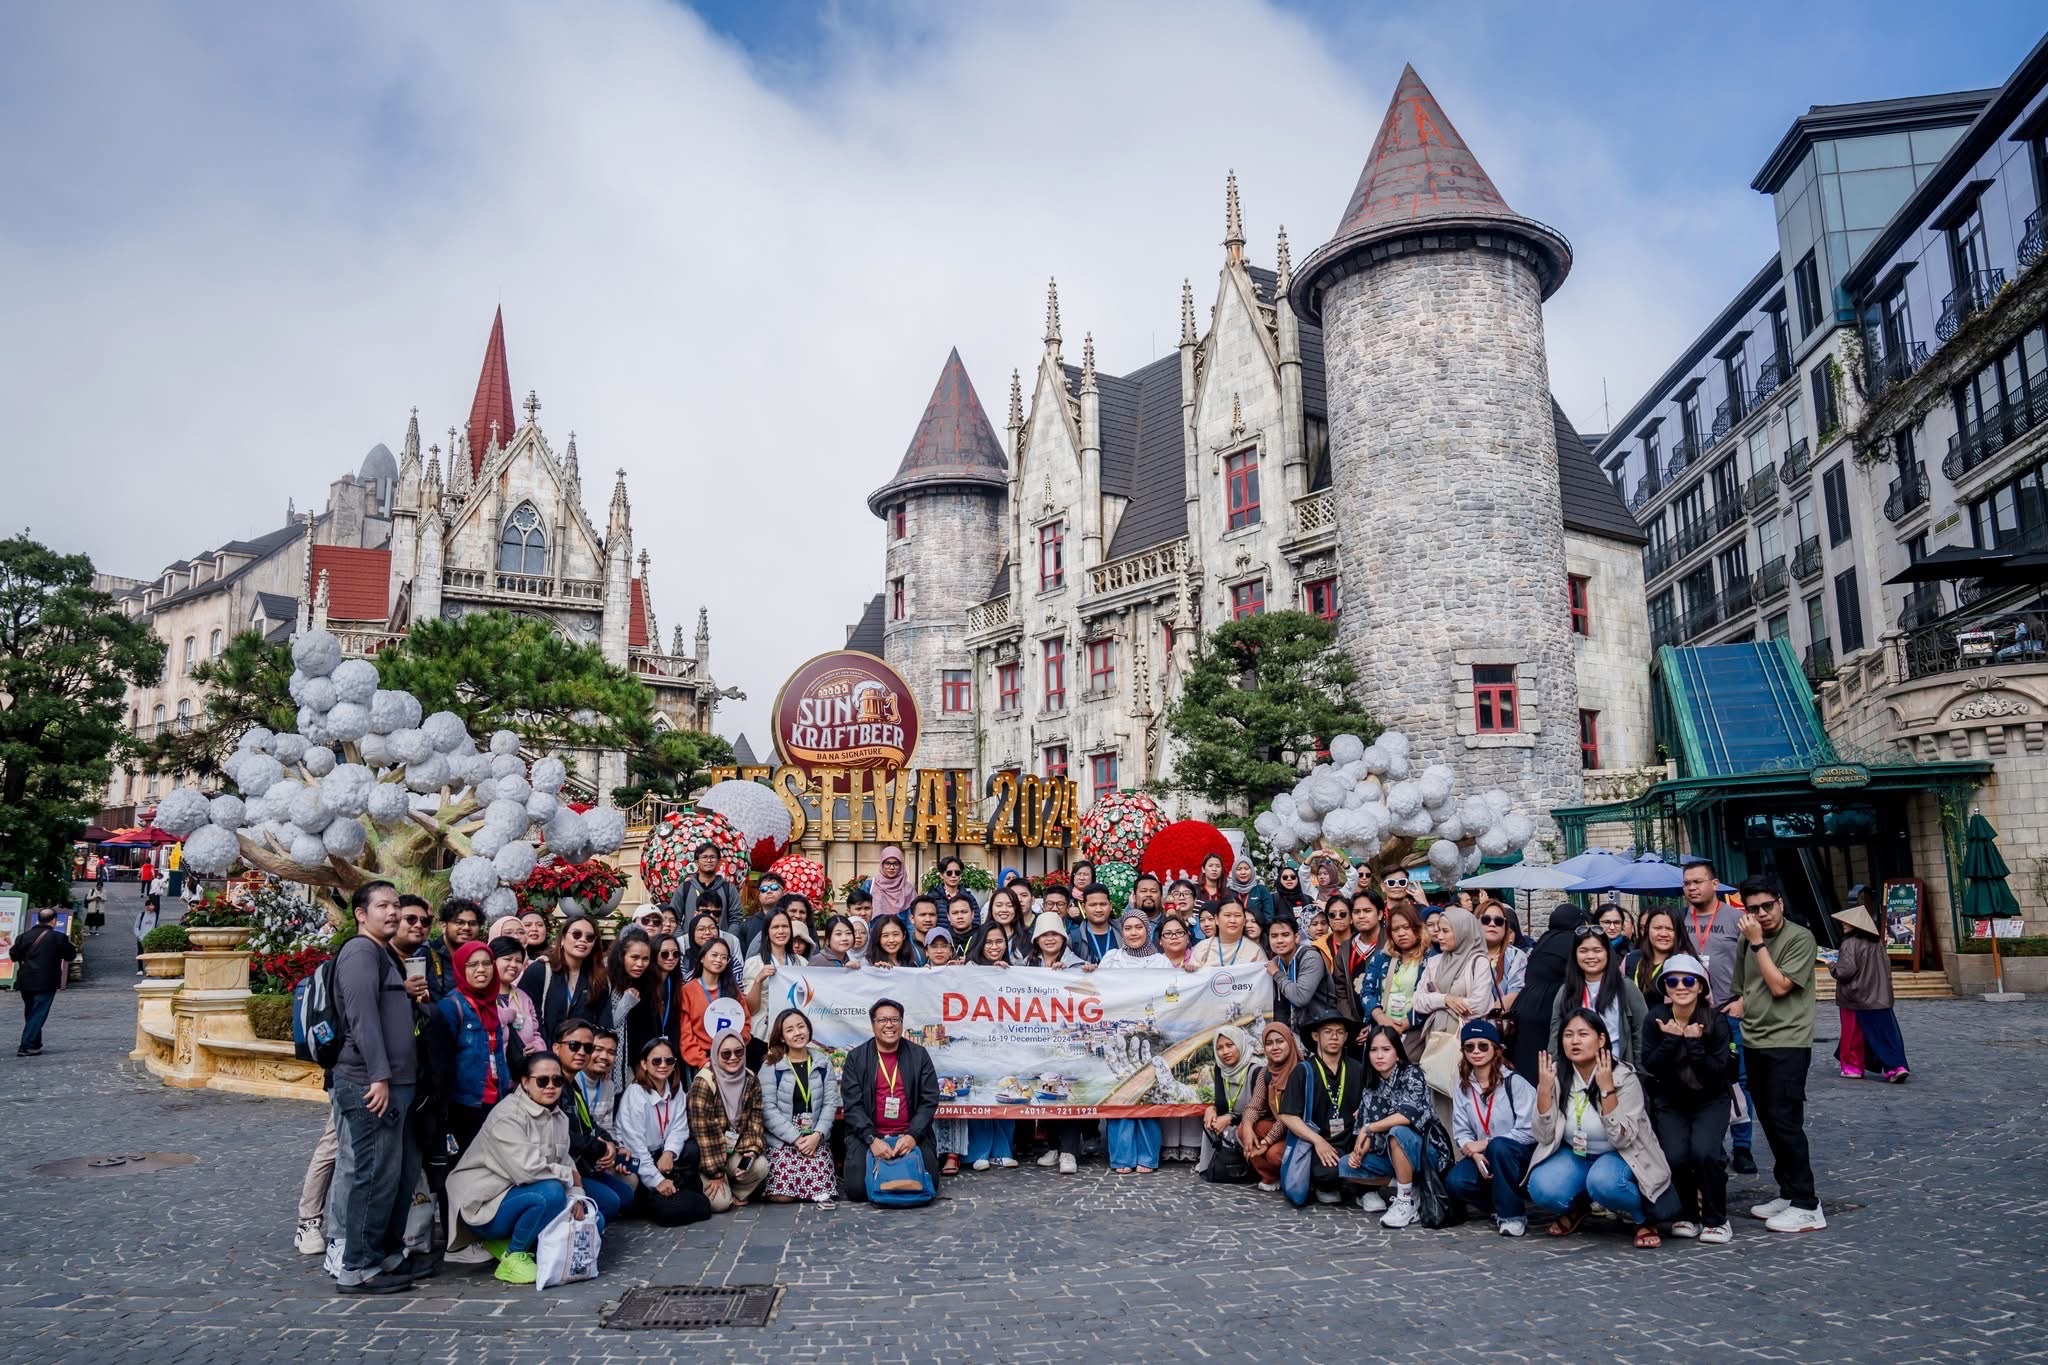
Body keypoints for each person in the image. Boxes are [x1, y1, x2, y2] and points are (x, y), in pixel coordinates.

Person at [325, 881, 426, 1294]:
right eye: (382, 905)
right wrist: (379, 1077)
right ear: (360, 914)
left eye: (395, 905)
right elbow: (362, 1018)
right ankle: (357, 1267)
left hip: (396, 1082)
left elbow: (381, 1005)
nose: (393, 912)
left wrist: (403, 992)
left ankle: (384, 1254)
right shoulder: (360, 951)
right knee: (373, 1175)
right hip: (369, 1083)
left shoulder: (382, 954)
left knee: (394, 1174)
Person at [1527, 1009, 1673, 1247]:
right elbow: (1543, 1136)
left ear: (1601, 1039)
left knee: (1604, 1183)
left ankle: (1643, 1218)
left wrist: (1607, 1091)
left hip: (1619, 1154)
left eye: (1583, 1034)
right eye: (1568, 1035)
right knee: (1541, 1186)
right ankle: (1579, 1207)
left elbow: (1623, 1140)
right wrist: (1544, 1090)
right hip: (1576, 1152)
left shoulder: (1623, 1077)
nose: (1575, 1041)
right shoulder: (1555, 1075)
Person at [1731, 874, 1825, 1233]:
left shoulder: (1800, 938)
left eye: (1767, 906)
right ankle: (1787, 1192)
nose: (1762, 914)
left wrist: (1758, 945)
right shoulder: (1746, 940)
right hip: (1754, 1039)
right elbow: (1743, 988)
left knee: (1786, 1120)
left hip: (1788, 1040)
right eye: (1753, 909)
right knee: (1769, 1120)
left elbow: (1780, 985)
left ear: (1780, 904)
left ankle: (1807, 1203)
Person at [444, 1049, 585, 1285]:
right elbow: (527, 1170)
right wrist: (570, 1178)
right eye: (542, 1080)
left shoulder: (559, 1116)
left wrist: (577, 1197)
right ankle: (514, 1255)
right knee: (550, 1193)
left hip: (518, 1194)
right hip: (485, 1203)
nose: (550, 1086)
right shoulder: (507, 1116)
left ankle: (510, 1242)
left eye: (557, 1080)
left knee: (593, 1218)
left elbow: (565, 1161)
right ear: (525, 1083)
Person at [1638, 953, 1735, 1243]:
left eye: (1689, 980)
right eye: (1673, 981)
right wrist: (1671, 1040)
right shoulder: (1655, 1018)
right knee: (1675, 1156)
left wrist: (1693, 1043)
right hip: (1671, 1101)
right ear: (1665, 987)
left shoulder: (1715, 1021)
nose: (1681, 986)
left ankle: (1716, 1218)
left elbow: (1721, 1071)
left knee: (1706, 1153)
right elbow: (1650, 1064)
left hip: (1711, 1099)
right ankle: (1687, 1214)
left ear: (1701, 986)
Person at [1680, 857, 1755, 1173]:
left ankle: (1743, 1146)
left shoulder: (1737, 919)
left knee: (1738, 1081)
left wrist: (1743, 1001)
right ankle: (1714, 1145)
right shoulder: (1680, 921)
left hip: (1728, 1011)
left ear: (1715, 884)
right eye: (1687, 883)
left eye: (1698, 881)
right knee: (1699, 1080)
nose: (1692, 888)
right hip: (1694, 1015)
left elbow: (1756, 965)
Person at [1339, 1022, 1450, 1227]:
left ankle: (1405, 1200)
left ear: (1397, 1053)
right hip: (1393, 1155)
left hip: (1426, 1152)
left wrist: (1369, 1128)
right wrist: (1362, 1149)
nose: (1379, 1056)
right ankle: (1412, 1186)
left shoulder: (1412, 1074)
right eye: (1373, 1050)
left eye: (1386, 1049)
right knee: (1346, 1165)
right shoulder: (1371, 1088)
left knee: (1398, 1132)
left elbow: (1407, 1116)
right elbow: (1368, 1136)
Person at [1089, 911, 1170, 1174]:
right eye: (1128, 928)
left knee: (1147, 1091)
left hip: (1149, 1033)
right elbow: (1100, 990)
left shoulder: (1160, 961)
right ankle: (1122, 1157)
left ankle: (1147, 1156)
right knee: (1123, 1092)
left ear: (1147, 930)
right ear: (1121, 932)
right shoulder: (1112, 959)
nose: (1133, 933)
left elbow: (1172, 992)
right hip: (1119, 1032)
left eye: (1139, 927)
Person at [838, 997, 942, 1199]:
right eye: (882, 1020)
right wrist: (871, 1139)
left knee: (929, 1184)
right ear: (873, 1025)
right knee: (857, 1191)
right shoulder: (857, 1058)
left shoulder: (919, 1055)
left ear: (902, 1023)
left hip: (911, 1134)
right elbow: (852, 1105)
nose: (889, 1025)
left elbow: (929, 1099)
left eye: (895, 1020)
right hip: (869, 1135)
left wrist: (913, 1135)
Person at [1444, 1020, 1538, 1235]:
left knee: (1500, 1148)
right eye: (1469, 1047)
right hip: (1483, 1154)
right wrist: (1475, 1153)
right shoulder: (1462, 1086)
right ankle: (1497, 1203)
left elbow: (1530, 1130)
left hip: (1516, 1154)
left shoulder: (1515, 1083)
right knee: (1455, 1181)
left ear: (1496, 1049)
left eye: (1483, 1046)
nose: (1476, 1051)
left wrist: (1487, 1143)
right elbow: (1462, 1131)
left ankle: (1512, 1216)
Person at [611, 1038, 714, 1226]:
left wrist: (669, 1152)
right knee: (669, 1211)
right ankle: (646, 1197)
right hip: (634, 1156)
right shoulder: (635, 1094)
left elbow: (679, 1126)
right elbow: (635, 1144)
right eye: (656, 1061)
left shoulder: (675, 1088)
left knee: (691, 1149)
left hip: (660, 1152)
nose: (663, 1066)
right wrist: (657, 1180)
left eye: (669, 1061)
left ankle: (676, 1192)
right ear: (644, 1064)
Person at [552, 1019, 635, 1228]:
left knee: (625, 1195)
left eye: (587, 1048)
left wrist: (611, 1145)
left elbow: (591, 1125)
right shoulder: (553, 1083)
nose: (581, 1052)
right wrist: (599, 1147)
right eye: (574, 1046)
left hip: (585, 1161)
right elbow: (561, 1136)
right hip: (563, 1167)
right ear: (556, 1048)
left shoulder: (574, 1085)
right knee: (611, 1204)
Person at [1278, 1012, 1365, 1207]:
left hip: (1351, 1140)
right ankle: (1328, 1185)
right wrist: (1317, 1141)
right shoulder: (1303, 1071)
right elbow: (1287, 1115)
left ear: (1345, 1037)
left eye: (1339, 1032)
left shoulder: (1357, 1069)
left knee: (1372, 1157)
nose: (1334, 1037)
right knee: (1327, 1171)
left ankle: (1364, 1189)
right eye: (1328, 1032)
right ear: (1316, 1036)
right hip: (1319, 1143)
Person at [760, 1008, 842, 1204]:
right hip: (784, 1137)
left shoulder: (822, 1062)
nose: (797, 1033)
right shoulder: (771, 1065)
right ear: (781, 1036)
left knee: (823, 1194)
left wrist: (817, 1135)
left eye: (801, 1026)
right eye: (789, 1030)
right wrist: (796, 1139)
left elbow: (831, 1103)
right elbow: (767, 1109)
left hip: (814, 1136)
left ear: (808, 1029)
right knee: (782, 1196)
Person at [687, 1031, 771, 1212]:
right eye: (726, 1054)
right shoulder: (704, 1082)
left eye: (739, 1052)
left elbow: (754, 1121)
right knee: (720, 1204)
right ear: (716, 1054)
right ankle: (718, 1186)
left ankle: (735, 1191)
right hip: (707, 1157)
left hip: (734, 1150)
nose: (733, 1058)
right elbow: (705, 1135)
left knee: (760, 1165)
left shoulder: (750, 1079)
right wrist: (716, 1173)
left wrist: (751, 1151)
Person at [1828, 902, 1909, 1082]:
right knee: (1887, 1033)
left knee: (1853, 1035)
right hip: (1879, 996)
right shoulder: (1877, 943)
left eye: (1847, 922)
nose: (1843, 924)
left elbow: (1845, 971)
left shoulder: (1849, 943)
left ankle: (1853, 1067)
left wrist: (1832, 966)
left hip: (1856, 997)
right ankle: (1896, 1066)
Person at [1550, 925, 1649, 1070]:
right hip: (1576, 1073)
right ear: (1575, 955)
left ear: (1607, 953)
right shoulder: (1566, 991)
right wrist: (1555, 1068)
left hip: (1618, 1071)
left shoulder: (1625, 988)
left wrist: (1638, 1073)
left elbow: (1641, 1031)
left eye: (1597, 950)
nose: (1591, 956)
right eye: (1583, 951)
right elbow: (1555, 1036)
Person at [1510, 905, 1584, 1081]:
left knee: (1528, 1059)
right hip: (1550, 1005)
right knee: (1548, 1060)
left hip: (1526, 1003)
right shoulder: (1573, 941)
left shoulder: (1544, 940)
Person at [1408, 906, 1492, 1063]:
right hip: (1435, 1039)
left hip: (1467, 1042)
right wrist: (1446, 999)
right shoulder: (1434, 962)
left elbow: (1479, 1005)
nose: (1439, 936)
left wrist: (1436, 1001)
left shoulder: (1478, 963)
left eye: (1445, 931)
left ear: (1462, 932)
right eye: (1438, 930)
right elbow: (1418, 1001)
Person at [518, 914, 610, 1045]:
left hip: (582, 1057)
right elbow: (525, 1015)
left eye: (589, 937)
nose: (583, 940)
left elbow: (602, 1024)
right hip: (543, 1056)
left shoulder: (598, 979)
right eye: (576, 934)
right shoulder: (540, 970)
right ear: (562, 939)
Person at [743, 907, 808, 1066]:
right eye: (775, 927)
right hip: (762, 1035)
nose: (781, 931)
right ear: (767, 931)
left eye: (785, 926)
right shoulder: (754, 963)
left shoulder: (802, 963)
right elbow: (751, 1009)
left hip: (794, 1033)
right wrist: (758, 980)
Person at [11, 906, 78, 1056]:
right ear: (53, 921)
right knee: (39, 1012)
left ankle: (34, 1042)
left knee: (31, 1011)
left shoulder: (24, 936)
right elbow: (70, 955)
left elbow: (14, 955)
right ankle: (26, 1045)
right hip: (46, 980)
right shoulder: (58, 938)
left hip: (26, 979)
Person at [603, 927, 663, 1088]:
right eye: (634, 957)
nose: (640, 964)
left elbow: (650, 1028)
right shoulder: (606, 981)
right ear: (622, 956)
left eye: (645, 959)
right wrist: (626, 1003)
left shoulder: (649, 981)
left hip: (641, 1067)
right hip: (612, 1067)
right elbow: (606, 1026)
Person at [678, 936, 745, 1077]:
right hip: (702, 1063)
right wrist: (702, 1061)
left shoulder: (733, 990)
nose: (719, 960)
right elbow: (685, 1034)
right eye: (714, 955)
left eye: (724, 957)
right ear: (702, 958)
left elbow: (745, 1024)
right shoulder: (687, 991)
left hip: (732, 1059)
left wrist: (734, 1052)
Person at [1198, 1024, 1258, 1178]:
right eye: (1219, 1048)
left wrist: (1231, 1118)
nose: (1225, 1052)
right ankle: (1212, 1167)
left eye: (1230, 1045)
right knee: (1210, 1123)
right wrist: (1212, 1109)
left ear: (1240, 1044)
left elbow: (1261, 1110)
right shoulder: (1221, 1069)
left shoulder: (1256, 1070)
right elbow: (1222, 1105)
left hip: (1252, 1123)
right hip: (1231, 1121)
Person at [1364, 903, 1428, 1035]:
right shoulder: (1381, 957)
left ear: (1418, 928)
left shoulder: (1429, 959)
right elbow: (1367, 992)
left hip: (1415, 1033)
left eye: (1406, 927)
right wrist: (1380, 1017)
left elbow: (1432, 998)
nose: (1401, 933)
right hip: (1382, 1031)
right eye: (1395, 929)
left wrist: (1408, 1022)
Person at [1626, 907, 1697, 1009]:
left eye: (1670, 929)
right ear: (1647, 929)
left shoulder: (1687, 963)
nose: (1663, 934)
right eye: (1657, 928)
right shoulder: (1630, 959)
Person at [1263, 916, 1323, 1035]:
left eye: (1285, 935)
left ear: (1296, 937)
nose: (1279, 940)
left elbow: (1301, 998)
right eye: (1274, 936)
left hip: (1318, 1027)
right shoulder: (1275, 963)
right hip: (1291, 1031)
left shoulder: (1310, 957)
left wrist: (1276, 974)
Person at [1476, 901, 1527, 1040]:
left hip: (1500, 1028)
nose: (1492, 924)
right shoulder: (1465, 956)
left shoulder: (1516, 956)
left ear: (1506, 927)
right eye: (1486, 920)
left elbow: (1515, 992)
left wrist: (1485, 1023)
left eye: (1498, 921)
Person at [416, 897, 483, 1001]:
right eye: (459, 922)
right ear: (444, 926)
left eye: (473, 923)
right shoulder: (425, 954)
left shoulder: (480, 958)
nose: (466, 927)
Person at [668, 841, 743, 931]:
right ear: (696, 862)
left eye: (712, 857)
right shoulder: (684, 888)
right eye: (704, 857)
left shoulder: (729, 889)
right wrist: (684, 940)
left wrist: (728, 940)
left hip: (720, 943)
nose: (709, 860)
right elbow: (673, 918)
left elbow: (736, 919)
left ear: (719, 861)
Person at [1191, 898, 1267, 968]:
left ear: (1244, 921)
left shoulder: (1255, 951)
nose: (1232, 920)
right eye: (1227, 915)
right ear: (1217, 919)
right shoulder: (1202, 948)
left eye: (1237, 916)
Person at [982, 887, 1031, 962]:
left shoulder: (1027, 938)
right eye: (999, 905)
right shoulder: (979, 935)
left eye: (1010, 905)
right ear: (991, 908)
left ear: (1016, 909)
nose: (1004, 910)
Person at [866, 847, 915, 921]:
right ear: (882, 864)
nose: (891, 867)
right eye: (887, 863)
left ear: (901, 865)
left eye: (896, 864)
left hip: (900, 932)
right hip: (875, 931)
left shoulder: (908, 889)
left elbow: (911, 919)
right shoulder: (870, 886)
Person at [1226, 856, 1273, 926]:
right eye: (1239, 869)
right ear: (1234, 872)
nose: (1243, 872)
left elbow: (1269, 917)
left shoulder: (1261, 890)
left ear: (1252, 870)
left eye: (1246, 868)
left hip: (1257, 933)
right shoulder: (1228, 891)